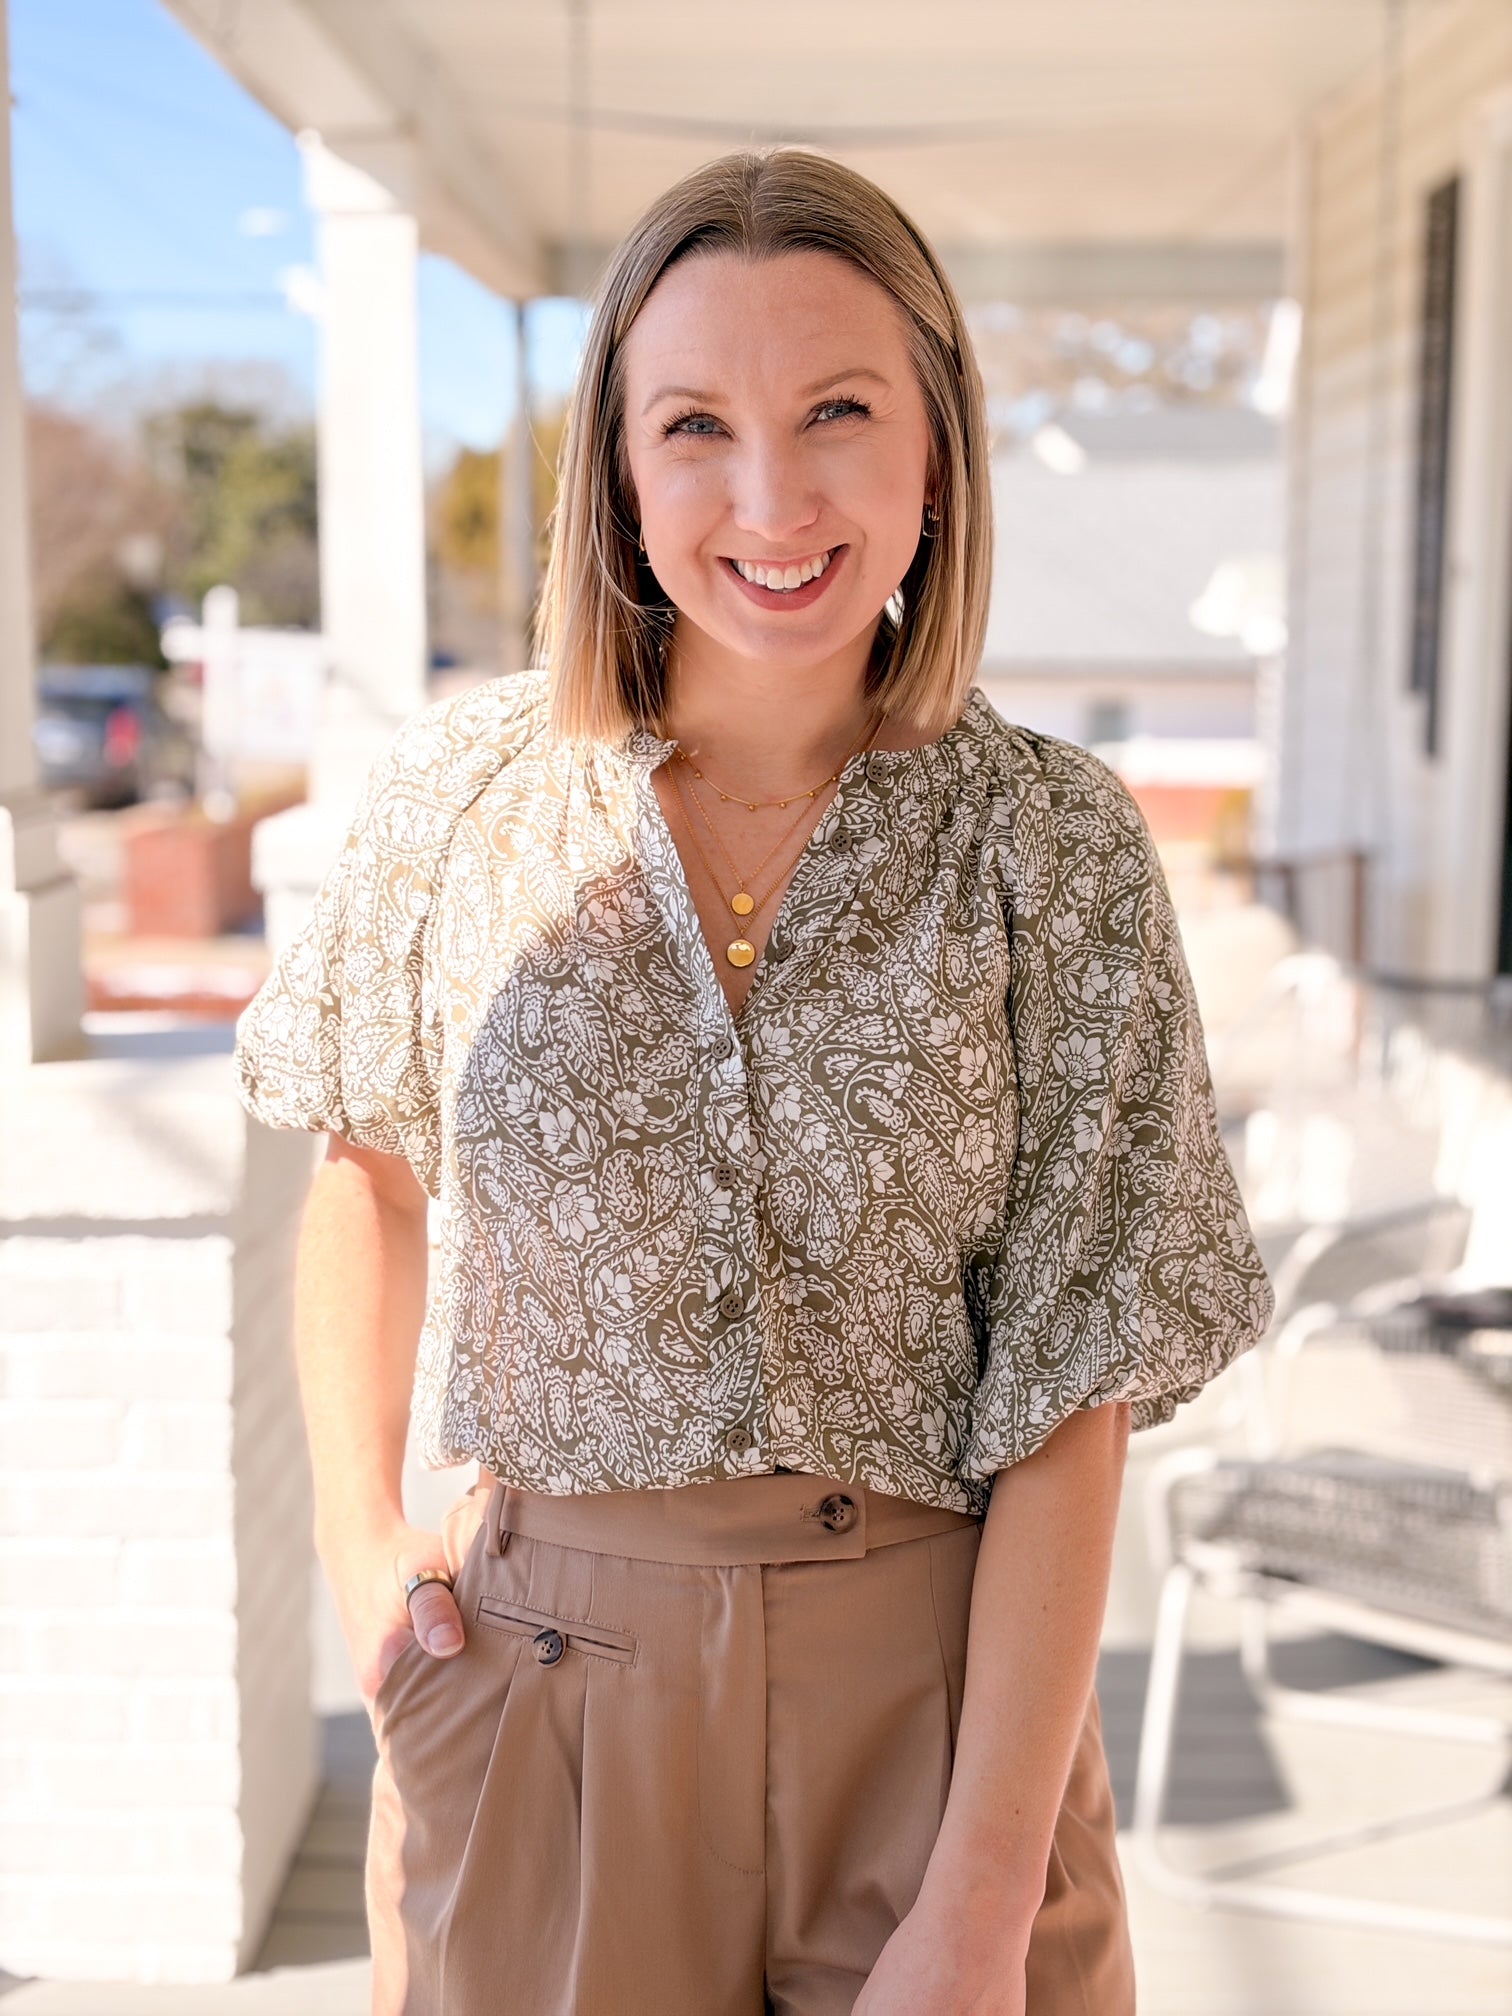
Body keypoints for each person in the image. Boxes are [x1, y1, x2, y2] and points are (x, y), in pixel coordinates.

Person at [233, 147, 1275, 2016]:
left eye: (839, 413)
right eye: (696, 424)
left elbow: (1073, 1387)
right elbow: (366, 1174)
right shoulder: (457, 806)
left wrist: (977, 1903)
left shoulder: (1057, 847)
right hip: (537, 1695)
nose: (772, 496)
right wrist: (362, 1564)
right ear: (618, 478)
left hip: (942, 1712)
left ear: (937, 456)